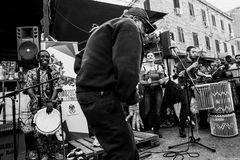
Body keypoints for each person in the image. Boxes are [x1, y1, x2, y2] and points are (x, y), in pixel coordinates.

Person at [75, 7, 158, 160]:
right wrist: (133, 101)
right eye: (145, 27)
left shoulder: (104, 29)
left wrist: (93, 77)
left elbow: (78, 61)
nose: (144, 32)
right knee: (124, 152)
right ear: (136, 19)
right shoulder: (129, 25)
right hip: (101, 96)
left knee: (117, 147)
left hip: (90, 96)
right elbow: (127, 69)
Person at [24, 50, 62, 160]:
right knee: (39, 131)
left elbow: (57, 88)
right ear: (38, 59)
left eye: (47, 57)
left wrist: (50, 101)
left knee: (54, 129)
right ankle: (44, 153)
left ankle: (55, 152)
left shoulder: (54, 72)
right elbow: (28, 88)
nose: (45, 58)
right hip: (38, 105)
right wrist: (34, 98)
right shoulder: (31, 72)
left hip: (52, 104)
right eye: (42, 56)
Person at [176, 46, 212, 137]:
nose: (195, 54)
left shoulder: (193, 62)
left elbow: (196, 72)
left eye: (196, 52)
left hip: (194, 85)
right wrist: (191, 66)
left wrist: (205, 75)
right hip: (185, 86)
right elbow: (180, 74)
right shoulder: (181, 62)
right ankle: (182, 128)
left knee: (202, 101)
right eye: (193, 52)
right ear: (188, 52)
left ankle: (203, 122)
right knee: (185, 105)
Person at [139, 51, 168, 138]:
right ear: (146, 58)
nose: (150, 57)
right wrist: (146, 82)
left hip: (158, 89)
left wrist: (162, 80)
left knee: (158, 111)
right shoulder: (143, 67)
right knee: (147, 110)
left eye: (152, 55)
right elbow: (140, 81)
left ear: (154, 58)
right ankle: (145, 127)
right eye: (148, 56)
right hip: (147, 90)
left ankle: (156, 130)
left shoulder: (158, 67)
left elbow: (164, 78)